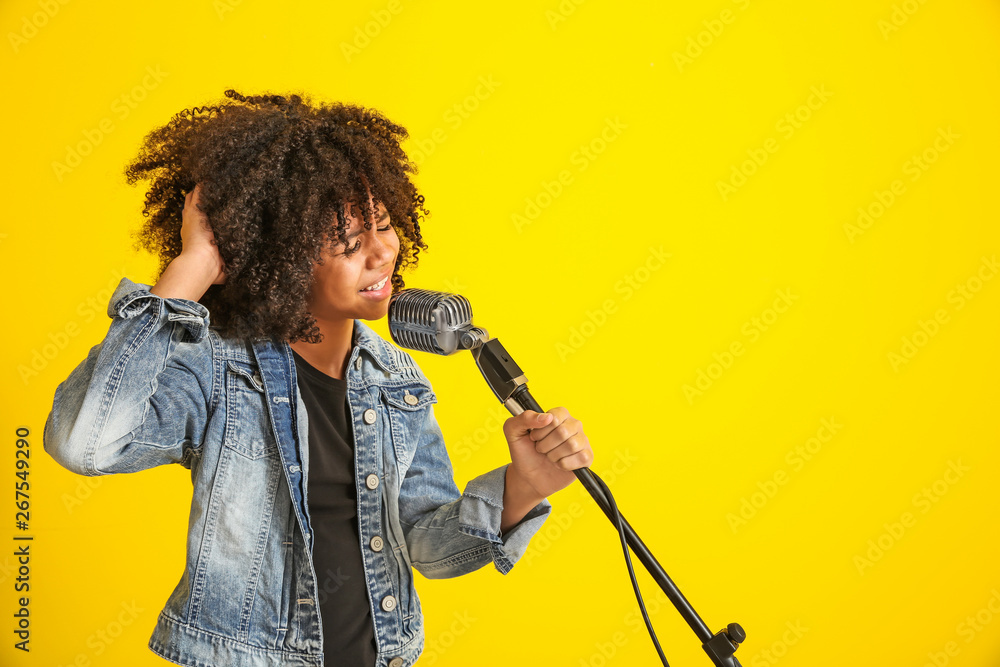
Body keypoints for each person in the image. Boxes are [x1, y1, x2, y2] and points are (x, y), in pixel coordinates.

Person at [43, 89, 594, 667]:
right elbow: (85, 443)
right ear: (279, 259)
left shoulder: (395, 378)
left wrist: (521, 488)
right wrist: (192, 270)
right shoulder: (218, 369)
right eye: (350, 244)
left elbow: (427, 550)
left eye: (383, 226)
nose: (382, 254)